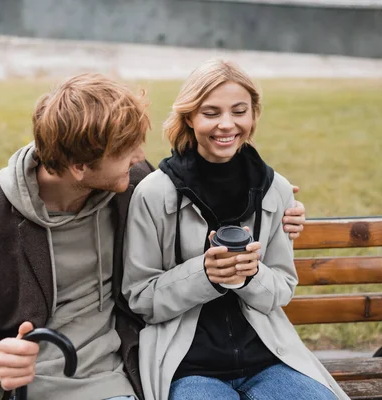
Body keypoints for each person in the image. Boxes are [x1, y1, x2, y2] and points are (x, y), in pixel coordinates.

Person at [0, 73, 306, 400]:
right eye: (125, 150)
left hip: (114, 378)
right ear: (79, 166)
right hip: (23, 386)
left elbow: (198, 204)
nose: (139, 156)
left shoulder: (133, 186)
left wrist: (280, 215)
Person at [122, 59, 349, 400]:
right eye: (211, 113)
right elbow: (141, 298)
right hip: (190, 366)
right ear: (190, 117)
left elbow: (282, 290)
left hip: (269, 359)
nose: (226, 125)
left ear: (254, 114)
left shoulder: (276, 191)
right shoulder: (155, 194)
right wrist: (206, 275)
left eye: (239, 111)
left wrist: (251, 275)